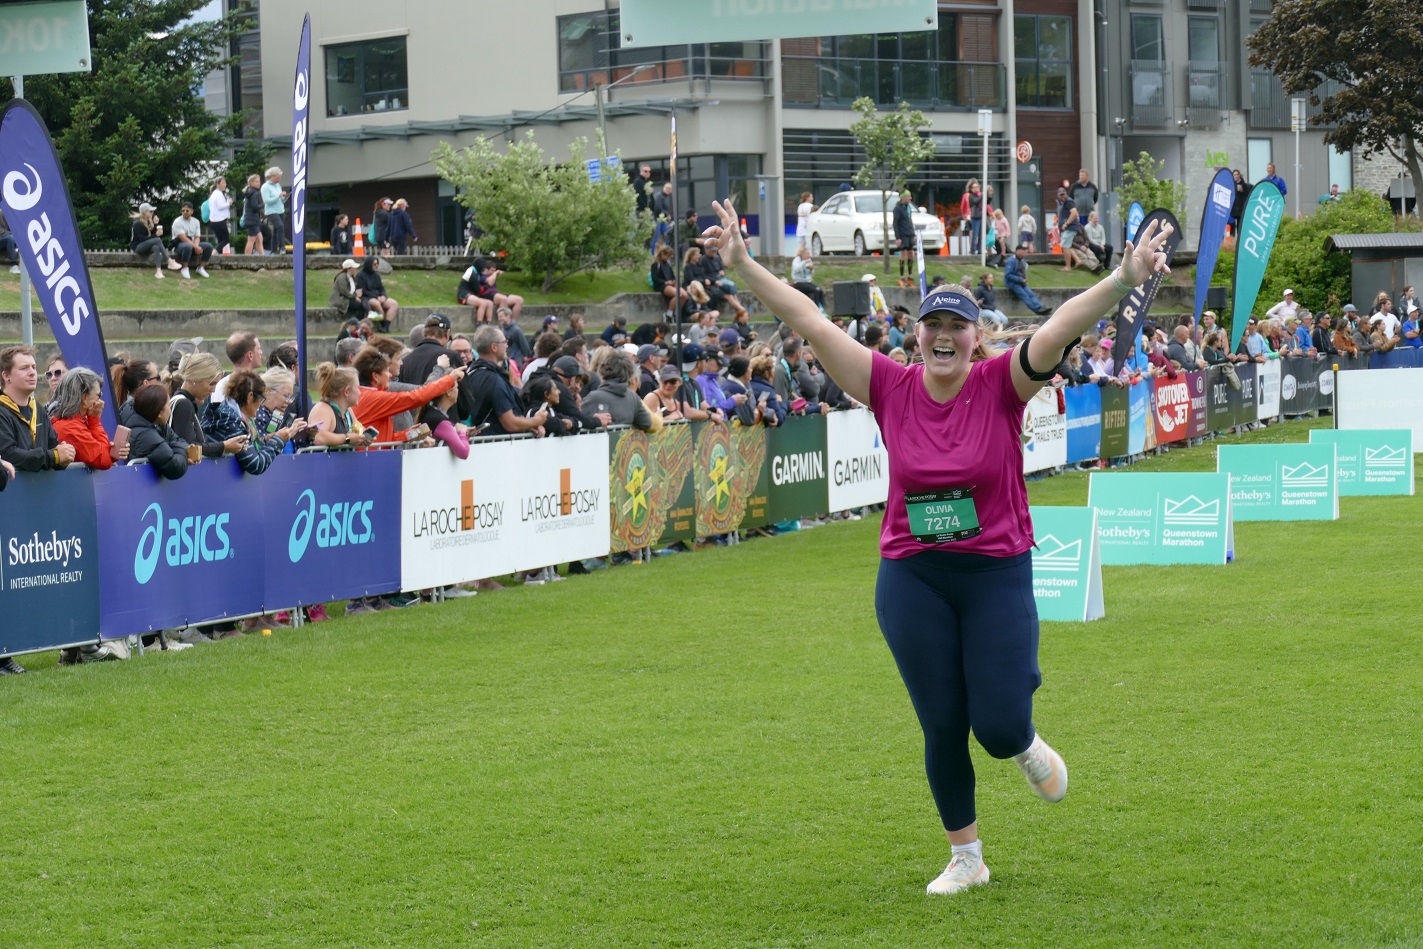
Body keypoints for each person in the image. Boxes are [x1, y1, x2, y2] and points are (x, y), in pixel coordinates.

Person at [706, 197, 1176, 893]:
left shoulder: (1000, 384)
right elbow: (809, 320)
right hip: (912, 575)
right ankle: (966, 855)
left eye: (957, 325)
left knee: (995, 723)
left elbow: (1057, 329)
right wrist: (744, 265)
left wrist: (1123, 278)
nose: (944, 336)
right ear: (916, 335)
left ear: (975, 335)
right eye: (933, 325)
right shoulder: (888, 387)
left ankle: (1020, 735)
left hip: (994, 570)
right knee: (941, 722)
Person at [466, 325, 548, 436]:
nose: (507, 345)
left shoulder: (471, 372)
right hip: (496, 446)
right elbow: (510, 423)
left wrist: (527, 426)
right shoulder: (494, 380)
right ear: (494, 347)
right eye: (504, 342)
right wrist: (536, 421)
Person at [49, 368, 125, 470]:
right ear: (84, 398)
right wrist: (95, 421)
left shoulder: (78, 421)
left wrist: (114, 452)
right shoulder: (70, 428)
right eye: (99, 395)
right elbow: (103, 460)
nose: (101, 401)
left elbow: (101, 455)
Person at [121, 384, 189, 480]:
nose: (170, 411)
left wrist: (179, 449)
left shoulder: (155, 423)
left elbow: (177, 440)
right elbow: (175, 467)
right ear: (160, 412)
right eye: (169, 406)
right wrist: (184, 454)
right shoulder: (146, 436)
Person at [581, 351, 658, 430]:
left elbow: (579, 422)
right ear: (629, 373)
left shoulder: (593, 397)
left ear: (603, 371)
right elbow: (646, 423)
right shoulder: (633, 397)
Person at [131, 202, 179, 278]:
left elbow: (151, 236)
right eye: (150, 211)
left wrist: (156, 224)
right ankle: (169, 261)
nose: (152, 213)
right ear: (144, 212)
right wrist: (156, 235)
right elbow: (142, 239)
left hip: (145, 245)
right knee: (157, 240)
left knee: (156, 247)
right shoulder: (137, 224)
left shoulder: (149, 222)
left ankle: (158, 271)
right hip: (138, 247)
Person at [1004, 244, 1052, 316]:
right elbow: (1008, 275)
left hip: (1021, 282)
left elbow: (1023, 272)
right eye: (1023, 250)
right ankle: (1037, 310)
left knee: (1031, 294)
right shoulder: (1011, 261)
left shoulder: (1022, 261)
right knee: (1025, 296)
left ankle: (1039, 307)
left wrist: (1024, 278)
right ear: (1018, 251)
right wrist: (1019, 279)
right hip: (1013, 283)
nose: (1024, 252)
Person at [170, 202, 213, 279]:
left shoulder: (196, 221)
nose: (185, 212)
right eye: (183, 211)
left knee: (209, 246)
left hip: (192, 243)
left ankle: (200, 268)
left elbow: (197, 237)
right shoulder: (177, 222)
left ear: (192, 211)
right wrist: (195, 247)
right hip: (179, 245)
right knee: (187, 246)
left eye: (187, 210)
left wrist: (196, 246)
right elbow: (183, 238)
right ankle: (185, 268)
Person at [357, 257, 400, 330]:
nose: (376, 266)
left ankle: (386, 326)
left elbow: (381, 288)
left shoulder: (376, 275)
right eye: (374, 264)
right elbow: (363, 291)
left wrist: (383, 296)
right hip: (368, 297)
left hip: (378, 296)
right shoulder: (360, 275)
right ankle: (382, 322)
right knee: (376, 303)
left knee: (394, 304)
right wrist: (377, 297)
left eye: (377, 264)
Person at [261, 166, 288, 254]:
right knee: (280, 226)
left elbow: (281, 200)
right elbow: (267, 201)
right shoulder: (265, 187)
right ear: (272, 176)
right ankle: (282, 247)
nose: (279, 179)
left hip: (280, 209)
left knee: (276, 231)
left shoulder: (277, 185)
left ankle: (274, 250)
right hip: (271, 211)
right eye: (278, 177)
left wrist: (284, 198)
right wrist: (278, 196)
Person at [893, 190, 916, 283]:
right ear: (903, 197)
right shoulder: (898, 208)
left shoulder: (908, 207)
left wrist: (913, 233)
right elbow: (895, 223)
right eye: (908, 196)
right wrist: (898, 237)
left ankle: (910, 274)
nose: (910, 198)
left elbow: (910, 221)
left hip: (909, 233)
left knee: (911, 253)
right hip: (902, 235)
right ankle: (902, 275)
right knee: (903, 253)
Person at [240, 174, 265, 255]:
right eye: (257, 182)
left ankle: (263, 257)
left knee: (259, 238)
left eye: (259, 181)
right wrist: (264, 204)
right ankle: (246, 258)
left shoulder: (249, 192)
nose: (259, 183)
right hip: (252, 220)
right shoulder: (254, 193)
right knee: (251, 240)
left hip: (251, 219)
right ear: (251, 183)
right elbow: (255, 206)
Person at [207, 176, 232, 255]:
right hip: (220, 220)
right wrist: (228, 203)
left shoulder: (213, 194)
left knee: (220, 240)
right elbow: (220, 206)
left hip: (213, 220)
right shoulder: (218, 194)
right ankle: (215, 251)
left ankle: (219, 255)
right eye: (223, 183)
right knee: (226, 239)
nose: (225, 185)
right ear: (218, 184)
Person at [1229, 169, 1252, 235]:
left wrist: (1242, 191)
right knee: (1231, 229)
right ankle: (1232, 243)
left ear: (1240, 175)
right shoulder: (1230, 184)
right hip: (1232, 210)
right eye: (1234, 175)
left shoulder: (1244, 184)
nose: (1236, 176)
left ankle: (1239, 242)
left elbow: (1248, 194)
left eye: (1237, 174)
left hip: (1241, 209)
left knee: (1240, 228)